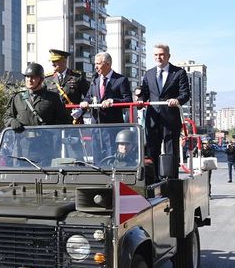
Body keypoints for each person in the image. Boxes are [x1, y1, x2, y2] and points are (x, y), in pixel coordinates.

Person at [138, 43, 190, 179]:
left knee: (171, 150)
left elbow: (185, 94)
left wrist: (177, 100)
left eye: (161, 54)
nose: (158, 57)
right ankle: (153, 180)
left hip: (170, 119)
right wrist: (140, 100)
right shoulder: (148, 74)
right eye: (156, 55)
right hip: (153, 118)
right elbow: (144, 93)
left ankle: (171, 180)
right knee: (151, 150)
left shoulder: (179, 73)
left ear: (168, 56)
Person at [4, 62, 72, 131]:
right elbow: (7, 116)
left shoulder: (53, 98)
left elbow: (64, 120)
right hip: (23, 140)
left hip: (45, 140)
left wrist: (52, 133)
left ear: (41, 79)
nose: (29, 80)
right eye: (27, 76)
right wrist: (11, 121)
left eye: (33, 77)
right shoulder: (17, 98)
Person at [80, 52, 132, 124]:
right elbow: (88, 97)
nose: (95, 67)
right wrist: (85, 102)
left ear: (108, 64)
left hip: (113, 125)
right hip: (96, 125)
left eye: (98, 64)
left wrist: (112, 101)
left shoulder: (121, 80)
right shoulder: (95, 79)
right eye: (95, 64)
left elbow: (128, 100)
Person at [44, 49, 90, 123]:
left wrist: (81, 110)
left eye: (55, 61)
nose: (53, 64)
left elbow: (89, 96)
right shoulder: (47, 79)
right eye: (52, 61)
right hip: (54, 121)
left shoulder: (77, 77)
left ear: (64, 61)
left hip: (73, 119)